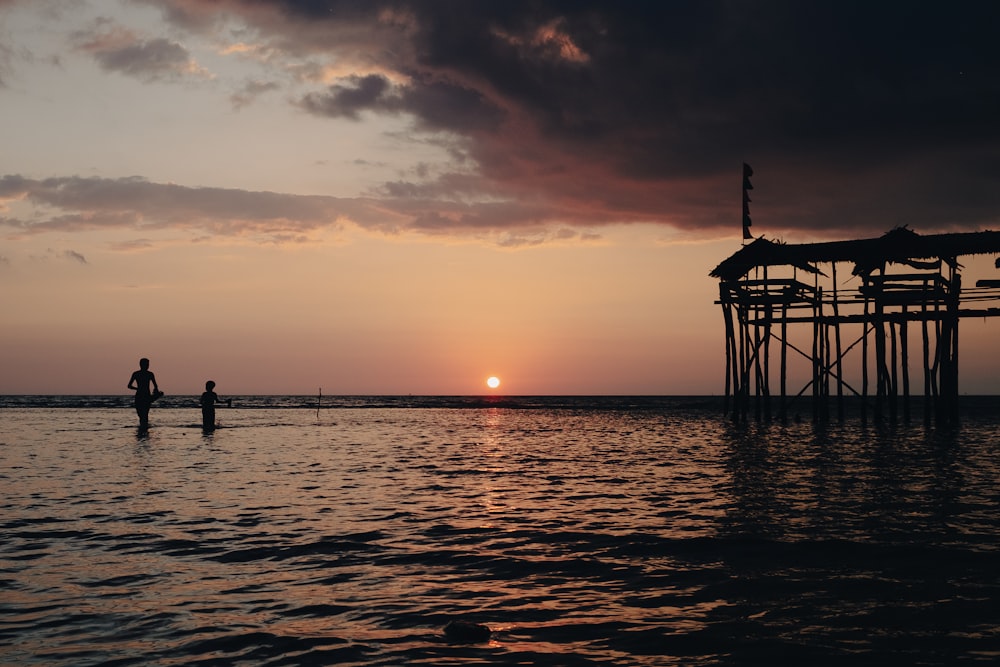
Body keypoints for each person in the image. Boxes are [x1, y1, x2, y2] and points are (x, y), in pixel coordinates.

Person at [128, 358, 161, 428]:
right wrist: (137, 388)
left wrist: (156, 392)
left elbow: (155, 386)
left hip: (146, 396)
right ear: (141, 365)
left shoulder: (150, 374)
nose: (147, 366)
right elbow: (129, 385)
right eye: (146, 364)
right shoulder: (136, 374)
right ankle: (143, 430)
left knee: (145, 414)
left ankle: (143, 430)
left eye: (148, 364)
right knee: (141, 414)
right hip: (140, 396)